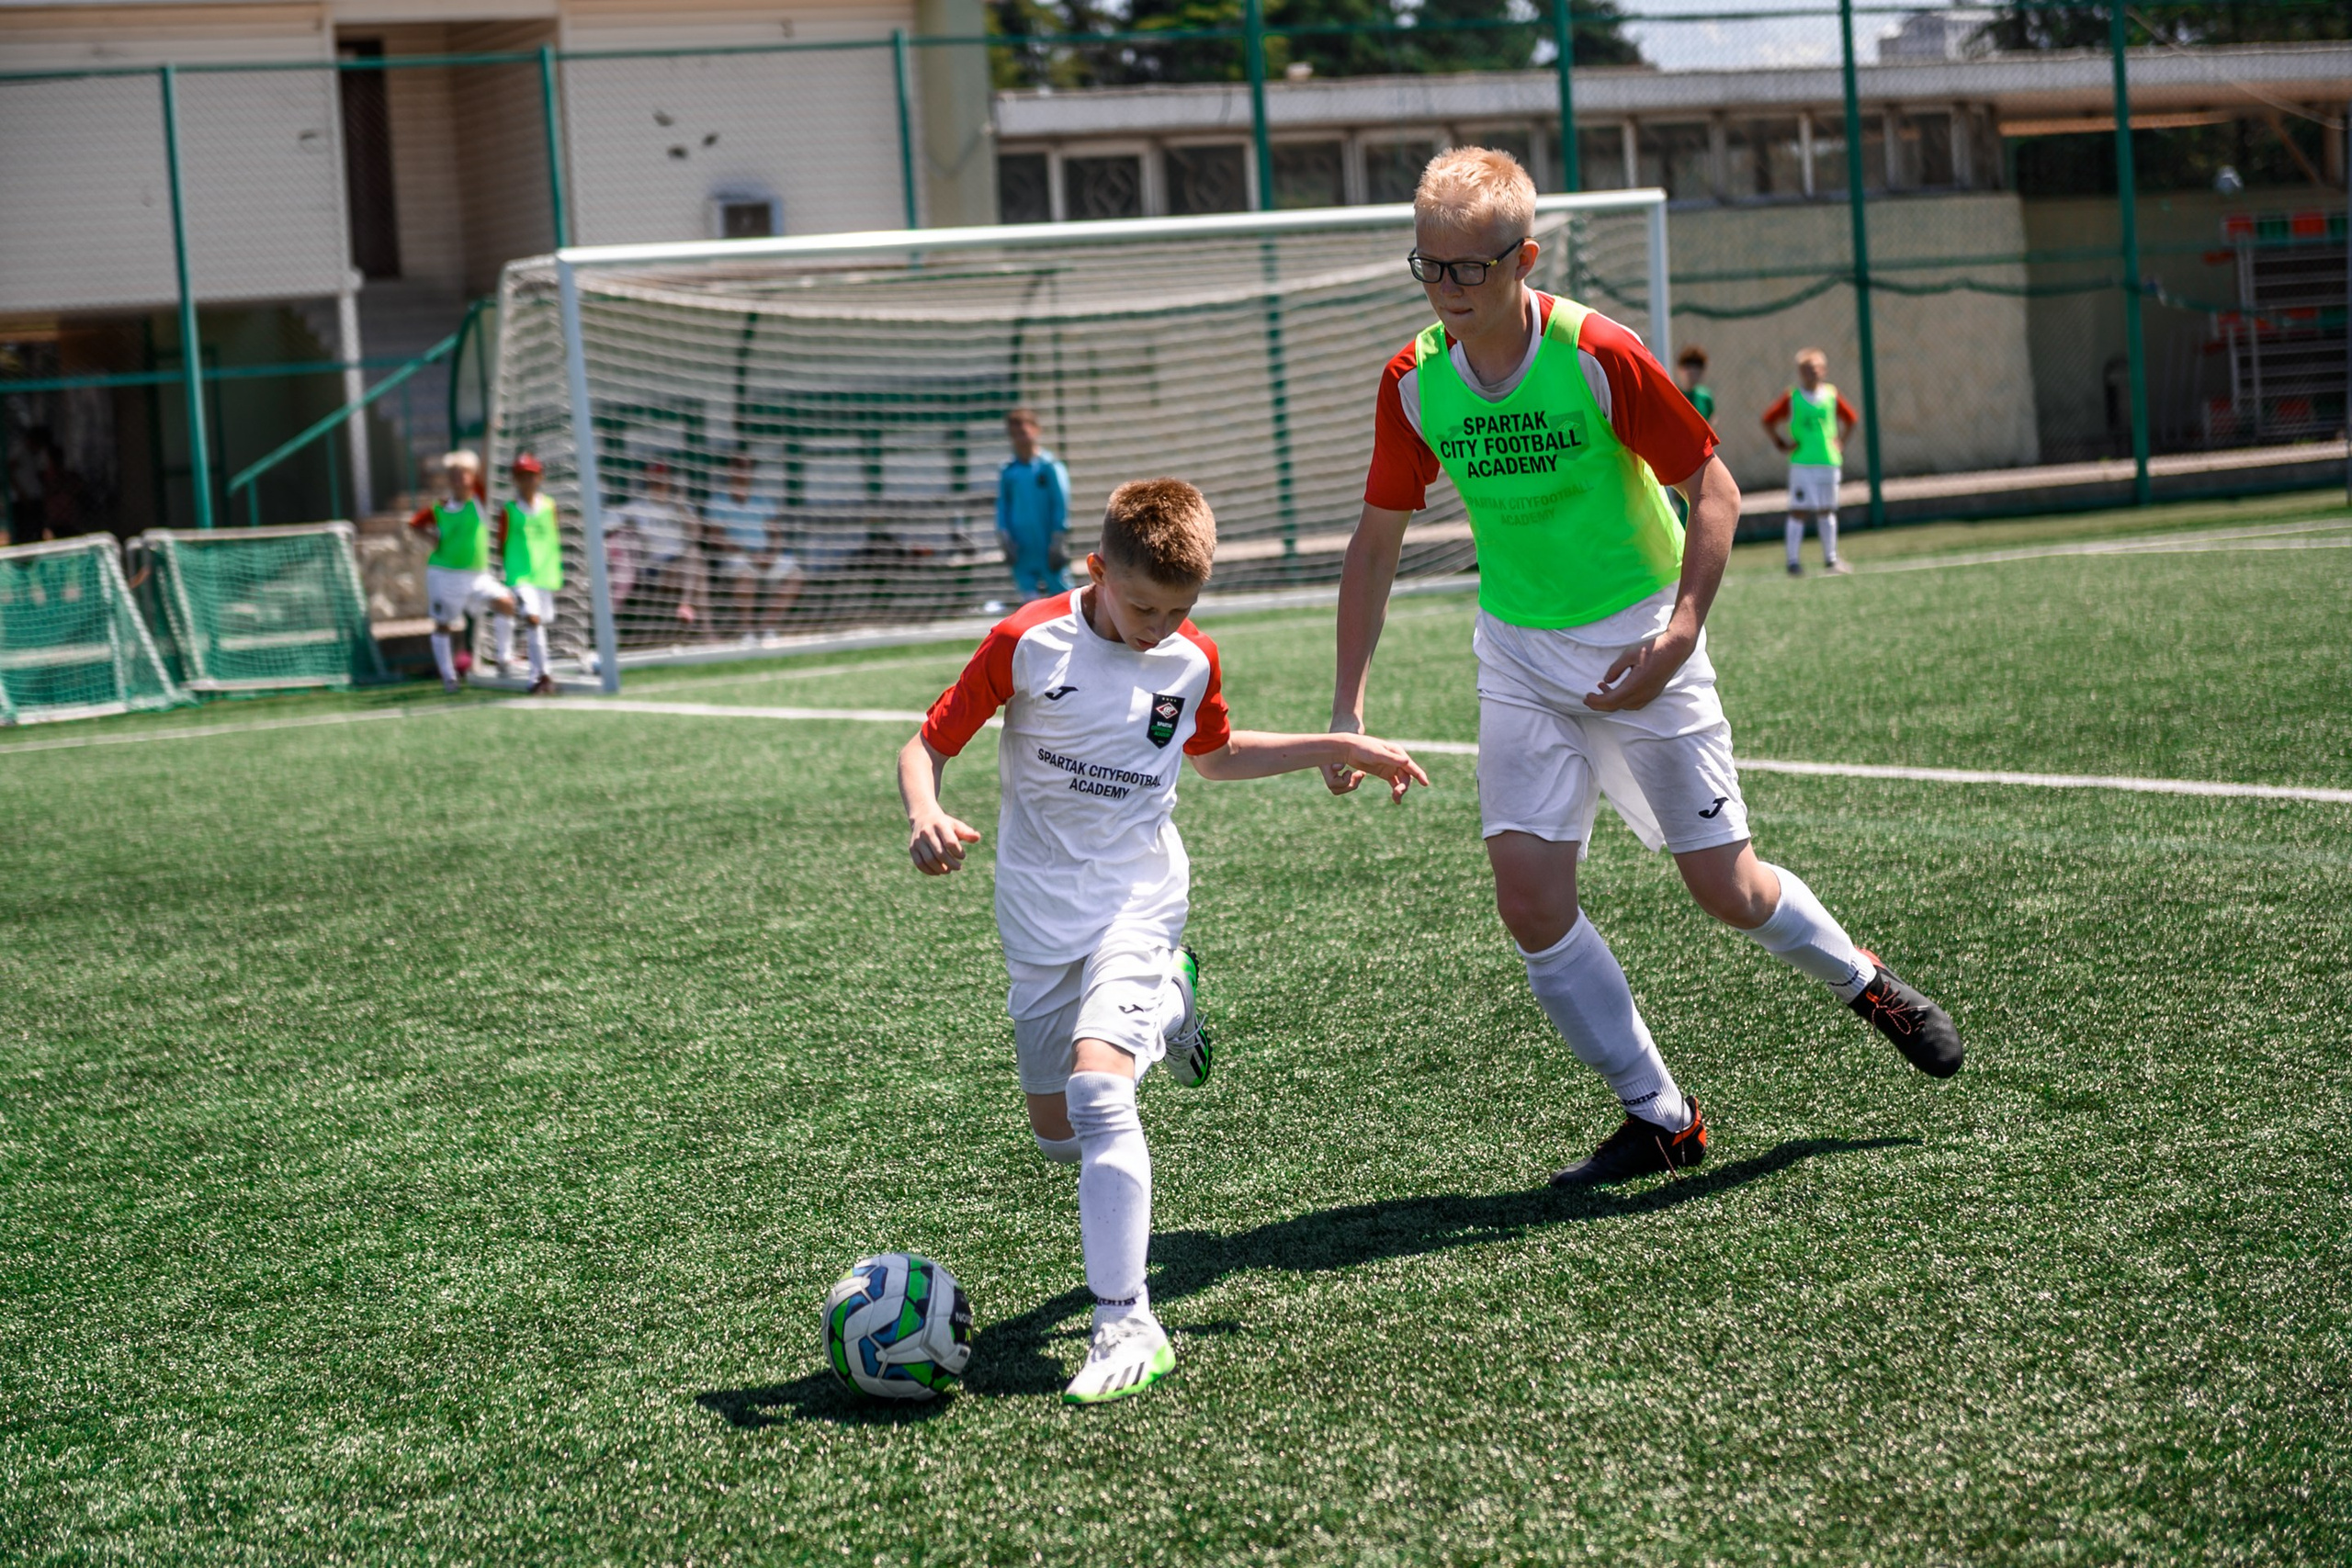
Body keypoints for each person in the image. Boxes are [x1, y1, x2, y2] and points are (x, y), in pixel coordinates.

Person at [1329, 147, 1962, 1188]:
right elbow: (1376, 543)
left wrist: (1677, 632)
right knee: (1528, 899)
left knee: (1726, 888)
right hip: (1518, 656)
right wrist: (1347, 704)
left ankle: (1863, 980)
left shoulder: (1595, 352)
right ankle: (1660, 1114)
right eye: (1426, 269)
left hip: (1640, 642)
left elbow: (1713, 489)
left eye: (1467, 271)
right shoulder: (1415, 380)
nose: (1445, 292)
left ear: (1523, 257)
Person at [900, 478, 1427, 1404]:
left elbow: (1216, 756)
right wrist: (924, 812)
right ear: (1096, 570)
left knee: (1102, 1092)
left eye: (1179, 610)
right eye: (1143, 605)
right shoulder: (1027, 644)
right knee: (1058, 1133)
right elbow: (927, 745)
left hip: (1137, 901)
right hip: (1036, 915)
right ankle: (1175, 1000)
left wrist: (1337, 746)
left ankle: (1126, 1324)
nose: (1158, 627)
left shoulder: (1189, 660)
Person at [412, 450, 514, 694]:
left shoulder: (479, 499)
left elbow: (488, 464)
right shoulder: (440, 507)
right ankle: (449, 677)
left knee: (506, 603)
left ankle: (504, 659)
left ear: (472, 476)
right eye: (454, 474)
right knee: (443, 624)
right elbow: (414, 524)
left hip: (477, 575)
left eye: (464, 473)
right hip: (444, 574)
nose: (459, 479)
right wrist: (431, 538)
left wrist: (491, 431)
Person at [1761, 348, 1859, 576]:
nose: (1811, 373)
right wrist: (1781, 443)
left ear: (1823, 370)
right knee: (1799, 510)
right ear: (1799, 372)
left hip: (1828, 462)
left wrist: (1840, 442)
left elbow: (1851, 419)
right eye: (1806, 369)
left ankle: (1831, 559)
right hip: (1802, 464)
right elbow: (1767, 420)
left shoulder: (1831, 395)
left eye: (1815, 369)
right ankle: (1793, 562)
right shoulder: (1792, 397)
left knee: (1827, 510)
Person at [704, 447, 803, 636]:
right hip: (736, 556)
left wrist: (772, 554)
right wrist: (749, 554)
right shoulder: (718, 500)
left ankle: (768, 627)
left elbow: (776, 534)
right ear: (730, 468)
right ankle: (746, 630)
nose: (744, 469)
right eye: (739, 465)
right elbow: (715, 537)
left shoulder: (762, 500)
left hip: (765, 555)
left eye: (748, 466)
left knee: (796, 575)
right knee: (746, 575)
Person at [492, 451, 562, 695]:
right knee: (533, 620)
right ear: (515, 480)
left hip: (545, 577)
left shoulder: (550, 507)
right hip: (521, 578)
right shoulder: (509, 511)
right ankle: (541, 676)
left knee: (540, 623)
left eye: (531, 475)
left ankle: (541, 674)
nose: (528, 481)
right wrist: (512, 572)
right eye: (522, 476)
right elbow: (501, 544)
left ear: (540, 477)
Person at [995, 408, 1072, 601]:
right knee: (1029, 602)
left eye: (1023, 432)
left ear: (1036, 430)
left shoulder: (1050, 466)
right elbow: (1003, 505)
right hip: (1021, 546)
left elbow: (1061, 503)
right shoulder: (1008, 471)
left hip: (1047, 544)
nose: (1020, 439)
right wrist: (1003, 535)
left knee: (1063, 598)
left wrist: (1058, 538)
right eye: (1014, 434)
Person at [1673, 345, 1715, 423]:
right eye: (1688, 367)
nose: (1693, 372)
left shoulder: (1705, 397)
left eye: (1697, 368)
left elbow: (1710, 421)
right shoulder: (1673, 395)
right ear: (1679, 369)